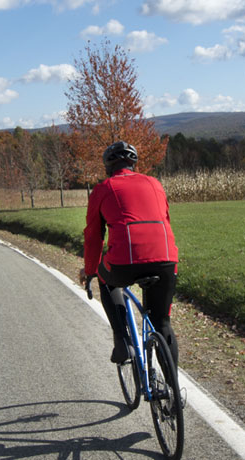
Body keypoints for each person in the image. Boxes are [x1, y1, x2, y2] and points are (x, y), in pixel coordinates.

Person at [77, 141, 180, 364]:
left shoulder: (103, 189)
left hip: (126, 260)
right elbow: (166, 220)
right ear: (133, 164)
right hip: (166, 257)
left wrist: (90, 270)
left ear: (108, 167)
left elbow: (93, 235)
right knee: (162, 322)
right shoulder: (155, 183)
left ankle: (122, 342)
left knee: (105, 278)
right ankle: (174, 395)